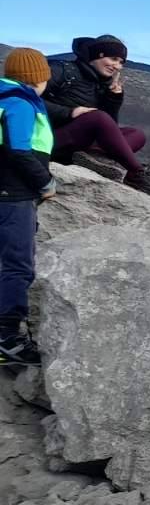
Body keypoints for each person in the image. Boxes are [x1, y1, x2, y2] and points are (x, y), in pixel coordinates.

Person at [42, 35, 150, 197]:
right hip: (47, 140)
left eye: (121, 62)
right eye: (114, 59)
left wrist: (113, 98)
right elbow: (24, 98)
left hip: (76, 145)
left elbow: (109, 128)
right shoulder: (61, 70)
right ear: (98, 55)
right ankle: (136, 173)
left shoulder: (102, 83)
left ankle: (92, 159)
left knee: (137, 134)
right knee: (97, 117)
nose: (118, 66)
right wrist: (69, 112)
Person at [0, 49, 55, 367]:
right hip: (13, 195)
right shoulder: (20, 103)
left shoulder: (4, 98)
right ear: (38, 78)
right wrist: (45, 183)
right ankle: (8, 339)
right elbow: (20, 151)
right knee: (18, 266)